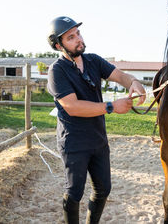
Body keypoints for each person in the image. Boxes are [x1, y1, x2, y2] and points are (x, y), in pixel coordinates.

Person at [47, 16, 146, 224]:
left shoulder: (93, 60)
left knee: (103, 189)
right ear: (58, 45)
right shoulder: (57, 71)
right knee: (74, 192)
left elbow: (120, 76)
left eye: (78, 34)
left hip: (98, 139)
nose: (78, 39)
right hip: (73, 141)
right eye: (71, 37)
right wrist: (111, 107)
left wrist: (134, 82)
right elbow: (72, 107)